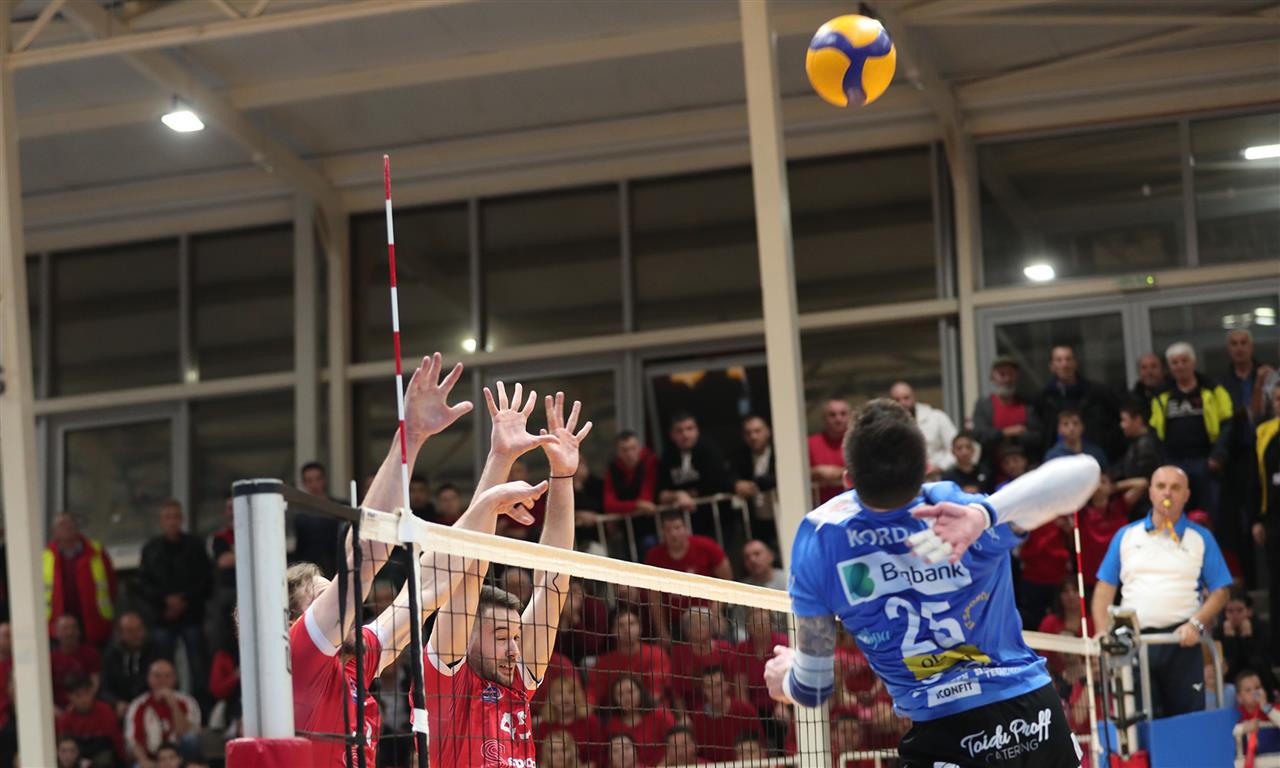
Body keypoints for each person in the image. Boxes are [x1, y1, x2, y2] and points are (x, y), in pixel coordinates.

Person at [765, 399, 1100, 768]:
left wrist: (786, 679)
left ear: (847, 479)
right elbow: (1085, 472)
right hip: (1037, 719)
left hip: (945, 735)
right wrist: (984, 514)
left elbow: (812, 688)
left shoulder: (820, 540)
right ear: (927, 469)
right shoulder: (959, 510)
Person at [288, 359, 553, 768]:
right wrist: (409, 436)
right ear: (296, 622)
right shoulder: (301, 656)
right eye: (322, 597)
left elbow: (431, 585)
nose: (345, 608)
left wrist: (498, 464)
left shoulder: (357, 661)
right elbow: (365, 556)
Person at [422, 383, 591, 768]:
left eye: (514, 637)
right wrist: (500, 458)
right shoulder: (448, 683)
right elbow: (467, 563)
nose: (514, 649)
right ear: (467, 639)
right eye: (501, 638)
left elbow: (554, 581)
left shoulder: (517, 681)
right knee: (467, 569)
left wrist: (562, 476)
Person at [1091, 465, 1233, 718]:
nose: (1167, 492)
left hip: (1183, 643)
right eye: (1161, 486)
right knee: (1140, 724)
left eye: (1175, 487)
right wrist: (1102, 631)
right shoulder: (1126, 536)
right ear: (1150, 492)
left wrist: (1197, 624)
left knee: (1187, 722)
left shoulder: (1201, 538)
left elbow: (1221, 591)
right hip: (1133, 642)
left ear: (1186, 495)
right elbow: (1104, 589)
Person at [1149, 342, 1233, 523]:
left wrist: (1217, 455)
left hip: (1205, 461)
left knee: (1209, 515)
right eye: (1175, 363)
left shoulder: (1213, 390)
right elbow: (1154, 432)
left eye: (1184, 361)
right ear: (1169, 367)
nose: (1180, 366)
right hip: (1174, 462)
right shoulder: (1162, 395)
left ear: (1193, 363)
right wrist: (1163, 462)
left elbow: (1227, 424)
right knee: (1173, 513)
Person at [136, 500, 211, 702]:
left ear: (182, 519)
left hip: (191, 614)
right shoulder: (151, 549)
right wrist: (165, 601)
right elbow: (143, 584)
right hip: (162, 617)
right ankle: (165, 704)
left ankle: (200, 708)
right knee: (162, 666)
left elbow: (205, 580)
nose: (172, 522)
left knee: (199, 667)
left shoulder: (195, 546)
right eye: (167, 517)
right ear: (161, 521)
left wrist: (184, 600)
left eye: (175, 517)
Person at [643, 512, 732, 643]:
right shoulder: (654, 557)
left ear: (686, 529)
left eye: (677, 528)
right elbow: (654, 597)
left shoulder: (706, 546)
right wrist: (662, 631)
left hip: (707, 615)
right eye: (668, 529)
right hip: (676, 622)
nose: (673, 534)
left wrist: (716, 612)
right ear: (662, 533)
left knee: (723, 635)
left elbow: (727, 579)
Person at [1223, 329, 1266, 586]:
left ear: (1251, 346)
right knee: (1241, 524)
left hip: (1268, 452)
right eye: (1234, 344)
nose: (1239, 348)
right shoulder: (1222, 382)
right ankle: (1248, 586)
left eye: (1243, 343)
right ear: (1229, 349)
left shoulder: (1266, 374)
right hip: (1237, 457)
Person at [44, 513, 117, 647]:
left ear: (77, 527)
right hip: (58, 623)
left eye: (70, 523)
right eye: (62, 525)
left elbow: (111, 584)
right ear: (54, 532)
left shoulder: (96, 551)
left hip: (94, 621)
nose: (67, 527)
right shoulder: (46, 556)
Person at [1039, 345, 1122, 462]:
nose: (1064, 364)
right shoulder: (1044, 398)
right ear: (1052, 366)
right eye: (1059, 360)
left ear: (1075, 363)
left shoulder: (1098, 393)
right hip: (1058, 459)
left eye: (1068, 359)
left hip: (1095, 456)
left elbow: (1117, 423)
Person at [971, 355, 1044, 471]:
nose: (1007, 379)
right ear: (992, 377)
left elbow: (1038, 436)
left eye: (1010, 374)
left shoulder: (1028, 405)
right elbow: (980, 435)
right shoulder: (983, 406)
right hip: (993, 472)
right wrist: (1006, 432)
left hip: (1026, 471)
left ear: (1016, 376)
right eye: (1002, 374)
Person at [1077, 471, 1145, 596]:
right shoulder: (1082, 512)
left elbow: (1142, 483)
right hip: (1092, 576)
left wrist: (1114, 487)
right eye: (1095, 483)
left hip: (1119, 574)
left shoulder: (1119, 506)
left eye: (1103, 482)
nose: (1098, 486)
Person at [124, 659, 201, 768]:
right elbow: (133, 742)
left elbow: (187, 735)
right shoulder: (138, 705)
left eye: (167, 676)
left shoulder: (188, 702)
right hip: (152, 760)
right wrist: (145, 761)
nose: (162, 681)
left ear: (175, 678)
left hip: (181, 759)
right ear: (149, 678)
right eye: (157, 676)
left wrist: (174, 705)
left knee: (190, 738)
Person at [590, 610, 672, 709]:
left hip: (652, 711)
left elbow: (656, 693)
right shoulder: (603, 663)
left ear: (640, 628)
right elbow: (592, 695)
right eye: (621, 625)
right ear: (613, 631)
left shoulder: (656, 654)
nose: (627, 629)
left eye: (631, 624)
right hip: (616, 714)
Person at [101, 612, 166, 719]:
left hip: (151, 705)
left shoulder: (156, 651)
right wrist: (116, 703)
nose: (136, 635)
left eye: (139, 629)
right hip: (122, 708)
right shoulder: (111, 654)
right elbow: (105, 687)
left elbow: (166, 682)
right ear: (120, 634)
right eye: (130, 631)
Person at [534, 674, 607, 768]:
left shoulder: (591, 723)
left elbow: (600, 756)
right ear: (552, 699)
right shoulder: (544, 726)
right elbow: (539, 759)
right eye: (560, 693)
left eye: (571, 692)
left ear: (578, 697)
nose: (566, 698)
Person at [690, 665, 761, 762]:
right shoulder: (697, 717)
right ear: (703, 690)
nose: (714, 691)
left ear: (727, 685)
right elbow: (697, 754)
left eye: (718, 685)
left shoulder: (746, 711)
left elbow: (761, 746)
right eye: (708, 687)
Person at [1255, 384, 1280, 658]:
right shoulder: (1265, 432)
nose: (1279, 403)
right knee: (1276, 584)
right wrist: (1257, 518)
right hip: (1274, 517)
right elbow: (1256, 478)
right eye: (1277, 399)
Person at [1217, 589, 1279, 696]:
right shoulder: (1219, 631)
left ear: (1249, 611)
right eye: (1230, 611)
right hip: (1232, 679)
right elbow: (1229, 662)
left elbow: (1259, 659)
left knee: (1257, 661)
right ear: (1225, 613)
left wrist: (1247, 638)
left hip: (1258, 677)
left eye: (1239, 610)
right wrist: (1230, 639)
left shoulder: (1261, 628)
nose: (1235, 615)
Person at [56, 672, 124, 768]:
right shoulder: (66, 720)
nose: (84, 699)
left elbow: (117, 742)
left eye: (87, 693)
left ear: (92, 691)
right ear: (69, 696)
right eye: (78, 695)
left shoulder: (105, 711)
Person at [732, 414, 779, 550]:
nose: (753, 436)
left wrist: (756, 484)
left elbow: (779, 476)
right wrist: (737, 484)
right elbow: (729, 476)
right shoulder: (741, 456)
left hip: (779, 513)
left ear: (768, 432)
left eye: (757, 431)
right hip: (756, 518)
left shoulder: (779, 451)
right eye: (748, 433)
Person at [604, 675, 674, 766]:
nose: (626, 697)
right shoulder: (613, 724)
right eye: (620, 694)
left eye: (630, 691)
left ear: (640, 692)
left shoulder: (661, 715)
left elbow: (676, 747)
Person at [890, 381, 958, 474]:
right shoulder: (888, 426)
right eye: (897, 400)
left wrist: (940, 467)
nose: (902, 403)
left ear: (914, 397)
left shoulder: (937, 417)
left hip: (939, 476)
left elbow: (956, 449)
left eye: (906, 398)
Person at [293, 461, 344, 576]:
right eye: (309, 480)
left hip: (339, 568)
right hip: (311, 571)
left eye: (317, 479)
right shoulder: (300, 515)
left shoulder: (339, 508)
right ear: (304, 483)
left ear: (324, 480)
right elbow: (301, 548)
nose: (314, 484)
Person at [49, 614, 102, 709]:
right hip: (58, 709)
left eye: (73, 628)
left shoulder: (91, 654)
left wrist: (81, 704)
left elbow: (95, 682)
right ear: (56, 633)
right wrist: (55, 710)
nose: (69, 632)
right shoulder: (50, 659)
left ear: (79, 631)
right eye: (65, 629)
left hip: (86, 706)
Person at [1117, 398, 1166, 493]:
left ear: (1138, 420)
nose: (1122, 425)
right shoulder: (1136, 441)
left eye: (1124, 420)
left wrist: (1113, 487)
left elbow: (1145, 481)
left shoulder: (1146, 445)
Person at [810, 398, 852, 504]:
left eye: (843, 414)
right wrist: (815, 472)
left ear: (850, 417)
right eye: (832, 415)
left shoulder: (858, 442)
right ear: (824, 418)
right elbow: (798, 474)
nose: (838, 419)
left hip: (852, 504)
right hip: (819, 506)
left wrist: (838, 473)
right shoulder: (810, 443)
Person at [1235, 670, 1280, 755]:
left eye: (1257, 688)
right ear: (1239, 697)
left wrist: (1265, 708)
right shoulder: (1235, 715)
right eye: (1248, 690)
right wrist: (1243, 728)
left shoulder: (1273, 708)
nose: (1254, 692)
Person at [1044, 408, 1108, 468]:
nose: (1071, 428)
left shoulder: (1095, 452)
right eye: (1066, 424)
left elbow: (1106, 473)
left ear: (1082, 427)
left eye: (1075, 423)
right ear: (1059, 429)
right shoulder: (1052, 456)